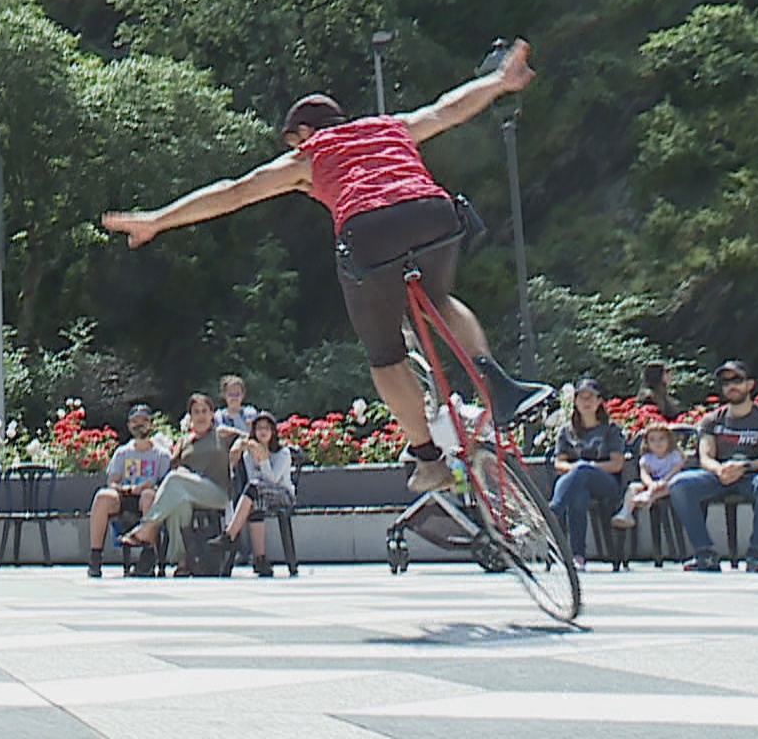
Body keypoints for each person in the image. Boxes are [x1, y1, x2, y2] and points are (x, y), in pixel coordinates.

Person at [102, 40, 552, 494]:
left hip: (369, 229)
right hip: (433, 211)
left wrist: (158, 220)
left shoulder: (309, 155)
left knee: (385, 355)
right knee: (441, 300)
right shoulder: (388, 126)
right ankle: (496, 383)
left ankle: (428, 458)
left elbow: (235, 191)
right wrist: (498, 81)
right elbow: (446, 110)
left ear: (302, 133)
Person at [669, 360, 758, 573]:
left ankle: (756, 555)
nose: (731, 386)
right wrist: (719, 469)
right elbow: (705, 456)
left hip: (752, 476)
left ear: (750, 384)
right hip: (719, 477)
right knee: (679, 484)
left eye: (737, 380)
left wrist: (743, 466)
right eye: (725, 381)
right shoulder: (712, 420)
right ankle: (705, 553)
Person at [116, 394, 247, 576]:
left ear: (212, 414)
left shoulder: (221, 434)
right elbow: (172, 467)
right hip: (189, 493)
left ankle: (147, 527)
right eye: (196, 412)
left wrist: (238, 445)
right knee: (179, 505)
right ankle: (183, 561)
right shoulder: (185, 441)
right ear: (190, 417)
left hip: (216, 493)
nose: (200, 416)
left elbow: (250, 438)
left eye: (204, 411)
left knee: (176, 479)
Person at [547, 378, 627, 571]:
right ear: (575, 401)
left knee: (582, 471)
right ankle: (578, 556)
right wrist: (578, 470)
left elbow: (617, 464)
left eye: (590, 397)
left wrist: (587, 467)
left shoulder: (610, 430)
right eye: (581, 397)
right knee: (578, 494)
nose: (586, 402)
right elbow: (559, 463)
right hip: (576, 483)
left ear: (600, 401)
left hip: (606, 484)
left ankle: (551, 513)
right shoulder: (567, 431)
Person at [87, 405, 174, 577]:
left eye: (143, 421)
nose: (139, 425)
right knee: (102, 496)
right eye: (135, 421)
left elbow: (166, 485)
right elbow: (113, 481)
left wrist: (146, 488)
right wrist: (128, 489)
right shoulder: (122, 453)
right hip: (125, 496)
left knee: (149, 496)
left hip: (149, 498)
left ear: (151, 424)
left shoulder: (162, 455)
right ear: (128, 425)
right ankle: (95, 556)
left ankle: (148, 555)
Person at [216, 414, 295, 577]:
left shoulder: (283, 453)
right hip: (258, 493)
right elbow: (252, 479)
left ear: (273, 431)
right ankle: (260, 560)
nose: (263, 432)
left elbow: (273, 479)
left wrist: (264, 459)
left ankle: (229, 535)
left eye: (267, 428)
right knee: (255, 499)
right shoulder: (248, 455)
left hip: (282, 493)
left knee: (254, 489)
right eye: (259, 428)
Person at [612, 420, 685, 530]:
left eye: (661, 439)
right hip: (652, 483)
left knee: (671, 486)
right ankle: (625, 512)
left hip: (669, 481)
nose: (657, 443)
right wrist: (650, 484)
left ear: (669, 440)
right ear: (647, 443)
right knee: (633, 487)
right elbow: (644, 473)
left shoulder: (674, 455)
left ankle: (649, 497)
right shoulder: (647, 458)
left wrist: (663, 481)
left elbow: (675, 470)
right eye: (652, 440)